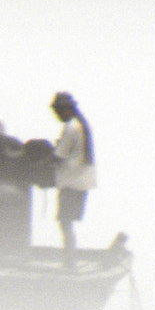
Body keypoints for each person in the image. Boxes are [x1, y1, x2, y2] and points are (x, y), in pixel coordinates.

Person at [50, 91, 97, 258]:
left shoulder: (71, 127)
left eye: (59, 111)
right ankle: (69, 256)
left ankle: (69, 259)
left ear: (67, 110)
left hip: (71, 182)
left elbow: (59, 155)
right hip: (80, 182)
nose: (57, 115)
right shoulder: (80, 124)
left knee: (65, 222)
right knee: (67, 222)